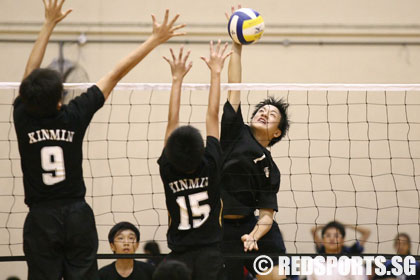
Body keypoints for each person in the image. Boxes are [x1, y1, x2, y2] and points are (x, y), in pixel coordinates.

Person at [13, 0, 185, 278]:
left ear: (27, 96)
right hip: (76, 215)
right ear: (60, 101)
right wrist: (154, 39)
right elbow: (114, 74)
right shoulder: (73, 115)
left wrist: (47, 24)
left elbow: (28, 75)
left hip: (41, 218)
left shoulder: (22, 116)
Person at [221, 5, 290, 280]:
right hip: (219, 228)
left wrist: (253, 235)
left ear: (276, 133)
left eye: (272, 114)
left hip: (250, 226)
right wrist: (236, 46)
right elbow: (234, 87)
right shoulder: (235, 131)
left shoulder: (270, 169)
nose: (264, 112)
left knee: (275, 274)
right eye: (261, 110)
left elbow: (266, 215)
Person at [157, 41, 231, 280]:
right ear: (201, 150)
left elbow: (172, 120)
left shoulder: (167, 169)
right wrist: (216, 72)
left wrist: (176, 78)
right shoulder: (211, 163)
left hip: (179, 254)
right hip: (211, 253)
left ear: (170, 152)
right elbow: (212, 115)